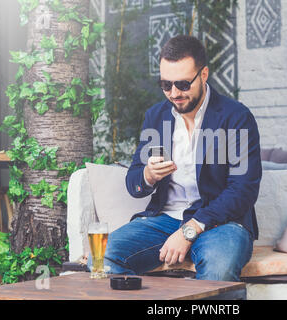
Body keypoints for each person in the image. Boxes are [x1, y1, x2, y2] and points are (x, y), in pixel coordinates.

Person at [104, 35, 262, 281]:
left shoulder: (235, 117)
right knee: (105, 254)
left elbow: (243, 189)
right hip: (164, 220)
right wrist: (148, 175)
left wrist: (189, 230)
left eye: (183, 84)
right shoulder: (156, 117)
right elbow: (133, 181)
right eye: (166, 85)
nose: (174, 93)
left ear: (204, 74)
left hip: (222, 223)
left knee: (219, 269)